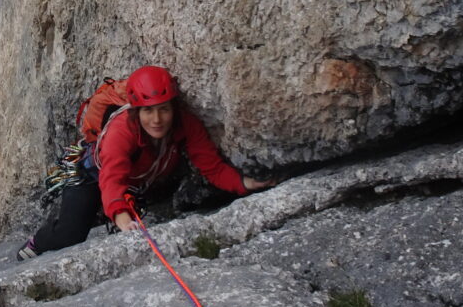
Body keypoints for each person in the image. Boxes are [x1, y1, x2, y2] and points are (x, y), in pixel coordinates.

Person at [17, 65, 276, 260]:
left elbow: (212, 166)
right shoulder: (122, 130)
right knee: (71, 233)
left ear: (174, 108)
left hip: (135, 181)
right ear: (136, 110)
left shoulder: (185, 124)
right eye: (148, 110)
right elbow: (111, 176)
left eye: (164, 109)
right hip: (93, 176)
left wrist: (244, 183)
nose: (157, 119)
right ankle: (36, 243)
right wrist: (120, 215)